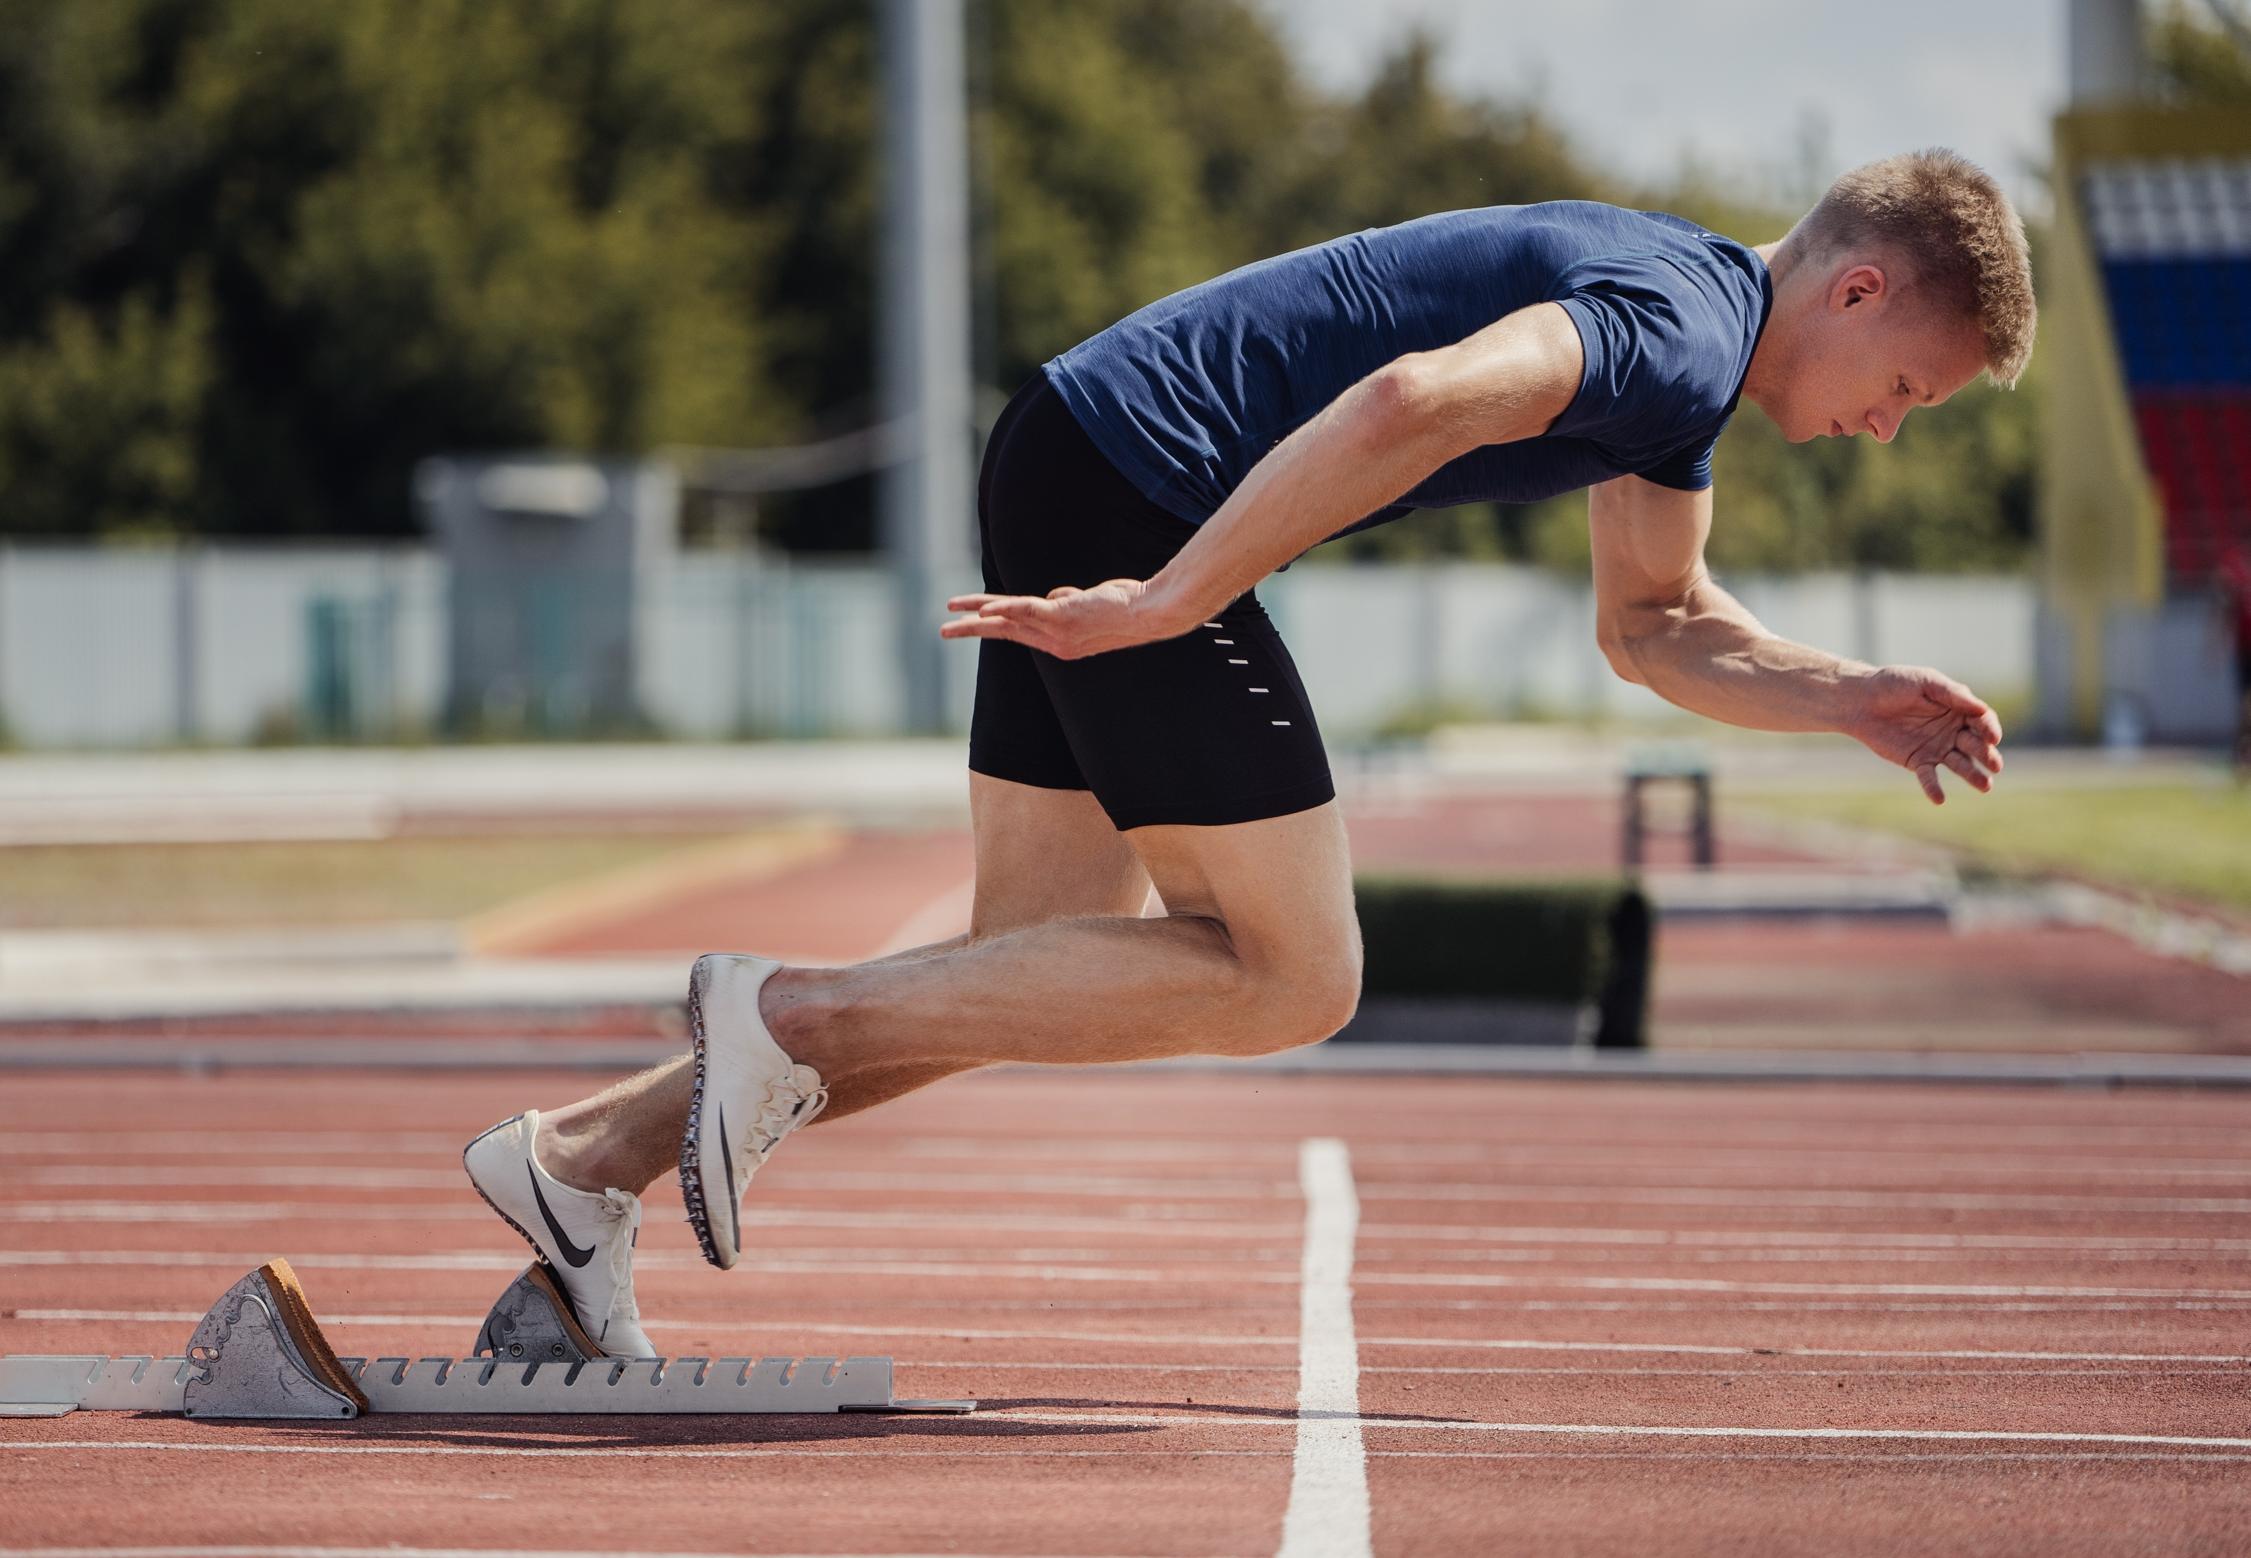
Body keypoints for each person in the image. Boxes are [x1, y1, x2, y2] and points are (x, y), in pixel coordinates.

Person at [461, 148, 2032, 1353]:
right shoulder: (1680, 337)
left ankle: (583, 1158)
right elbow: (1420, 397)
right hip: (1142, 490)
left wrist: (1847, 693)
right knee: (1298, 972)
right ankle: (778, 1008)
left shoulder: (1683, 343)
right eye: (1906, 392)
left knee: (1021, 962)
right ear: (1859, 293)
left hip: (1077, 439)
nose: (1887, 428)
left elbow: (1657, 621)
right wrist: (1174, 595)